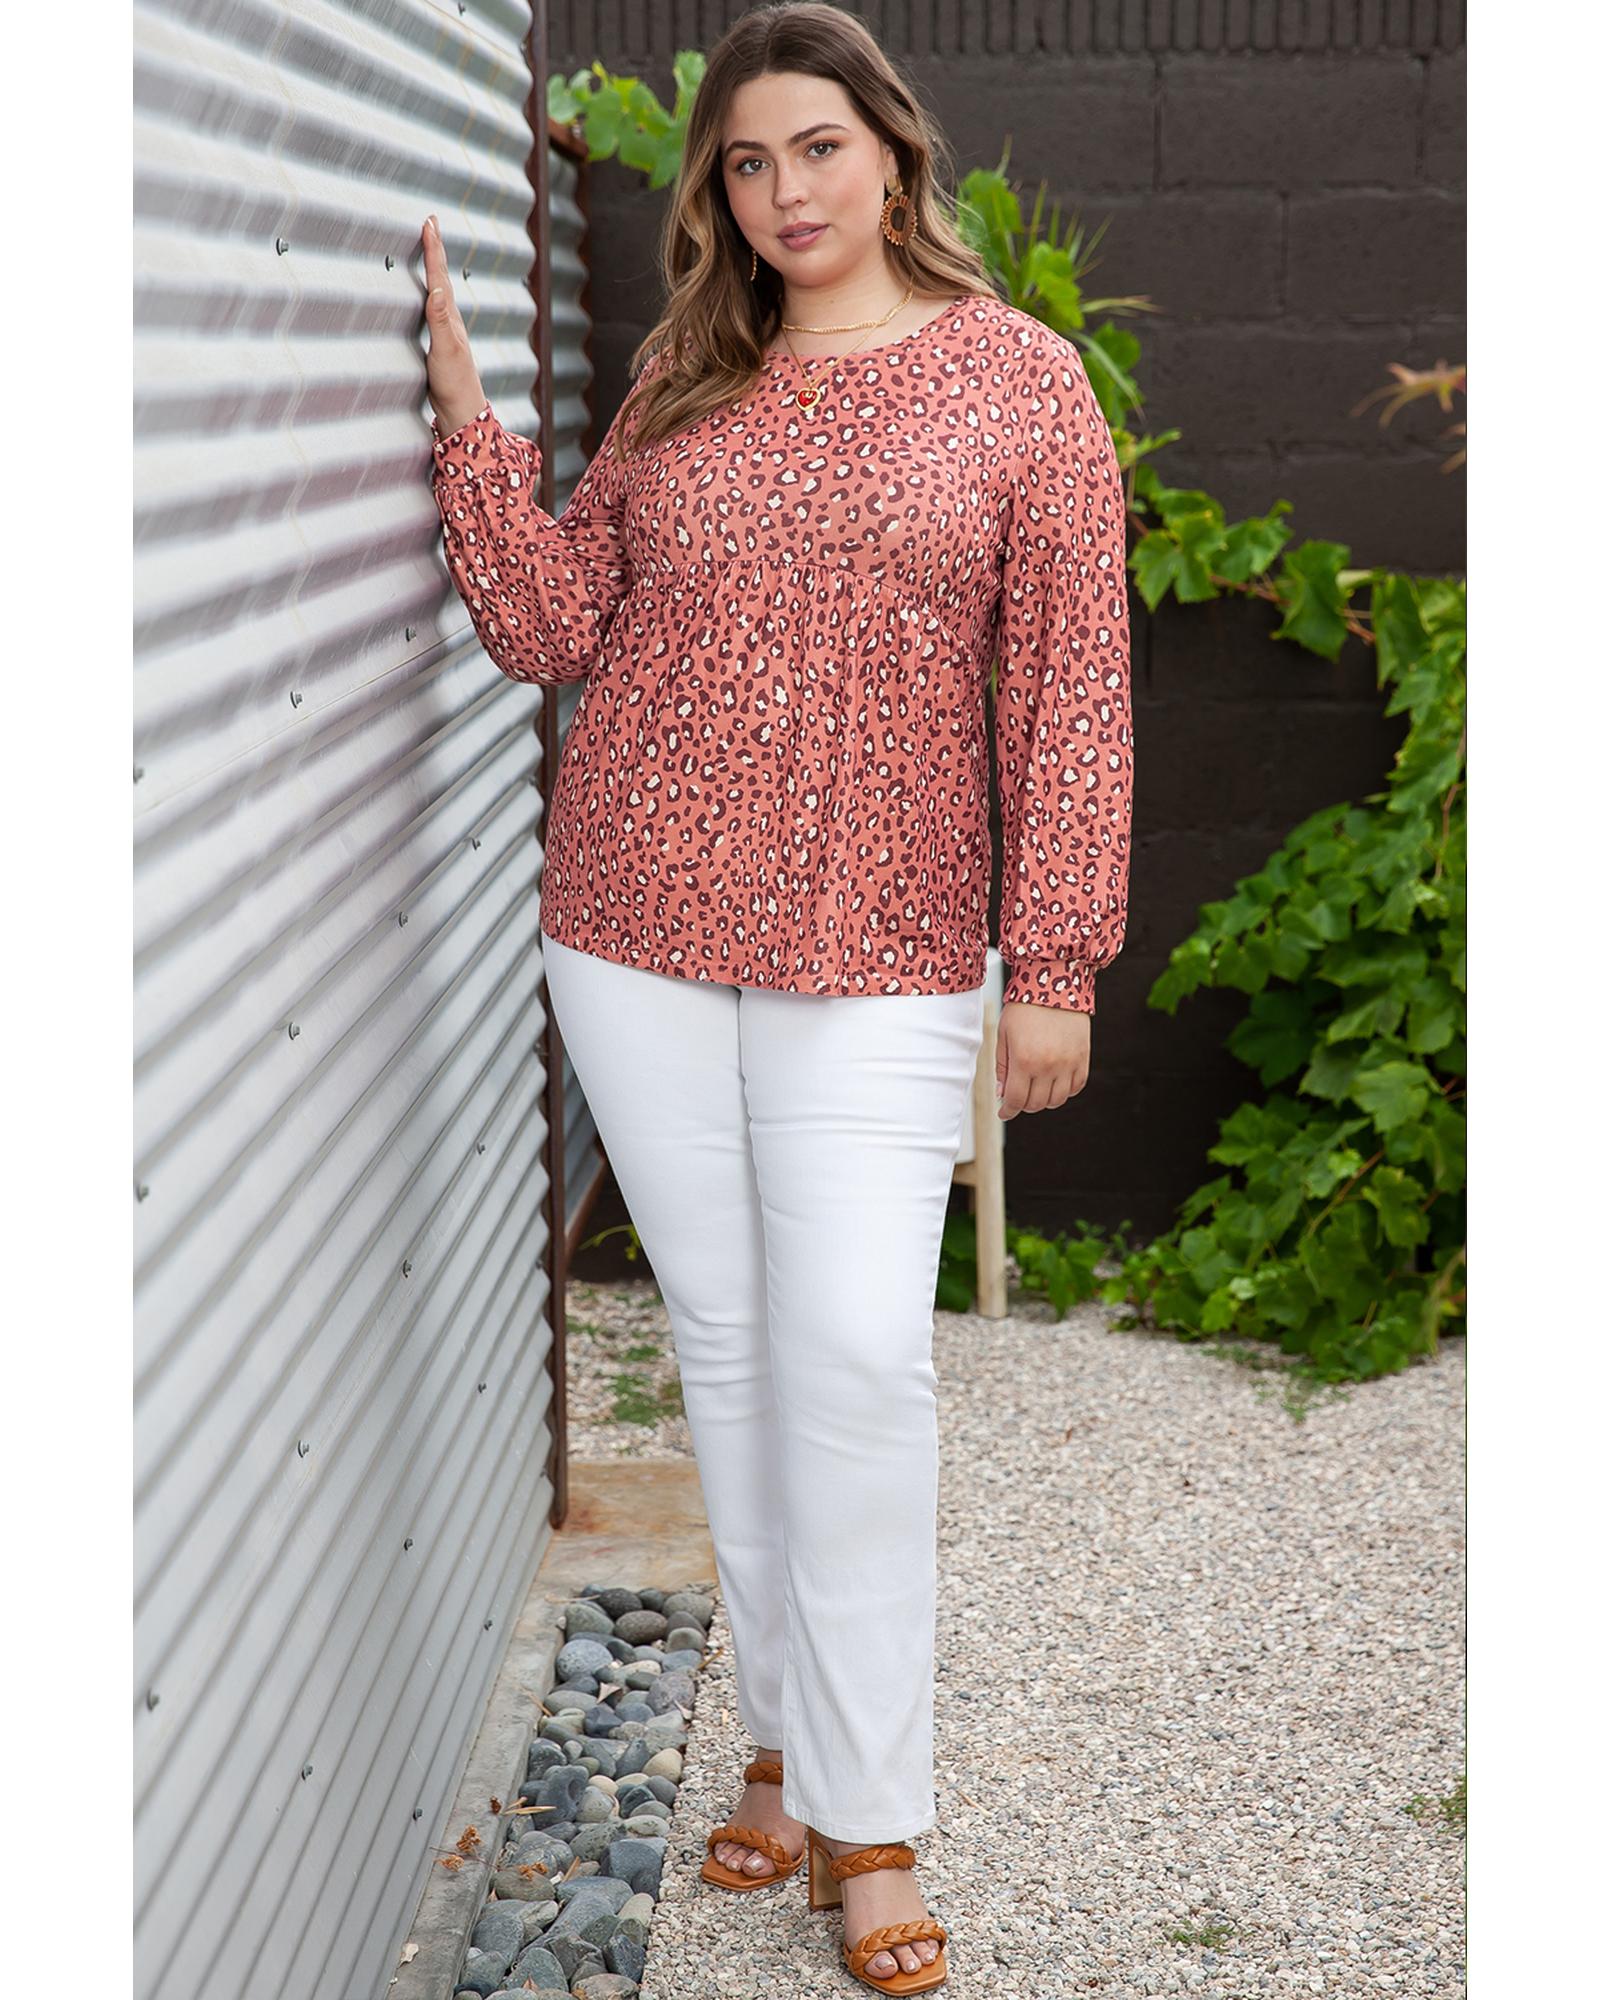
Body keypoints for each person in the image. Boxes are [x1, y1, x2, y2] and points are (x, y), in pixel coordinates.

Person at [421, 6, 1132, 1988]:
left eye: (816, 147)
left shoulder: (1016, 382)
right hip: (630, 923)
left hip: (886, 946)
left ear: (891, 152)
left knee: (857, 1360)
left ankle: (871, 1817)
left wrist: (1055, 966)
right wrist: (471, 426)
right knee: (728, 1350)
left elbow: (1070, 691)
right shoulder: (687, 371)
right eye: (746, 162)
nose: (783, 191)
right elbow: (553, 625)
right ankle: (785, 1747)